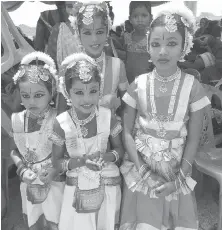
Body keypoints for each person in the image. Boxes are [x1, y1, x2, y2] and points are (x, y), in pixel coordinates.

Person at [119, 3, 211, 230]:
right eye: (156, 44)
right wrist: (142, 173)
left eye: (171, 44)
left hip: (176, 176)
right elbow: (127, 133)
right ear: (148, 47)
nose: (162, 51)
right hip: (143, 174)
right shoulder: (137, 85)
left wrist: (178, 181)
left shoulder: (193, 87)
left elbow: (193, 138)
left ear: (184, 47)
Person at [50, 53, 124, 230]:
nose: (87, 99)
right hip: (77, 186)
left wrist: (105, 157)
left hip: (107, 184)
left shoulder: (108, 117)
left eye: (93, 91)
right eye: (79, 92)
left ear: (100, 89)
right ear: (67, 92)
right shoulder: (62, 123)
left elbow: (120, 150)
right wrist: (82, 161)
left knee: (105, 223)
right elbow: (56, 163)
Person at [10, 52, 65, 229]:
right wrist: (22, 170)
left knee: (56, 220)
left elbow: (67, 153)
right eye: (25, 96)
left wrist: (55, 169)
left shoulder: (59, 120)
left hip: (55, 183)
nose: (31, 101)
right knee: (34, 220)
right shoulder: (18, 119)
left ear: (52, 92)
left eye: (39, 95)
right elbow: (14, 151)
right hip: (29, 183)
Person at [56, 1, 129, 115]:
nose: (94, 39)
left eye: (99, 32)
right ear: (78, 34)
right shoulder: (67, 67)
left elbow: (127, 107)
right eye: (87, 33)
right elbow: (61, 113)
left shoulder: (117, 65)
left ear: (107, 32)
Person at [123, 1, 153, 84]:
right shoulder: (126, 38)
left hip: (148, 83)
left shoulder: (153, 39)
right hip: (130, 82)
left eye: (144, 15)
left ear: (151, 18)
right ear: (130, 19)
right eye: (135, 16)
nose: (140, 20)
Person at [47, 1, 80, 69]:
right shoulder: (58, 30)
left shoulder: (96, 30)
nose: (74, 10)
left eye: (78, 7)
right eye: (69, 7)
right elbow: (51, 59)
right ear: (63, 8)